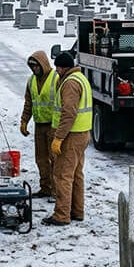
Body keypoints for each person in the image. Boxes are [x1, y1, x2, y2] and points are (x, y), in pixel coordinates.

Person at [43, 52, 92, 226]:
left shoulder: (70, 83)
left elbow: (68, 113)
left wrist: (58, 138)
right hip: (82, 134)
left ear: (64, 67)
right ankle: (77, 211)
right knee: (76, 174)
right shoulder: (80, 78)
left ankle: (61, 215)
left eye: (58, 67)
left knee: (63, 175)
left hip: (71, 136)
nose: (56, 71)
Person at [20, 51, 59, 199]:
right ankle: (46, 188)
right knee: (41, 158)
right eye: (32, 66)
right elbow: (29, 103)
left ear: (43, 64)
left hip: (53, 125)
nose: (34, 69)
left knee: (54, 159)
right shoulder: (31, 81)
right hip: (39, 125)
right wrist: (24, 120)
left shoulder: (56, 79)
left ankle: (56, 190)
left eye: (36, 66)